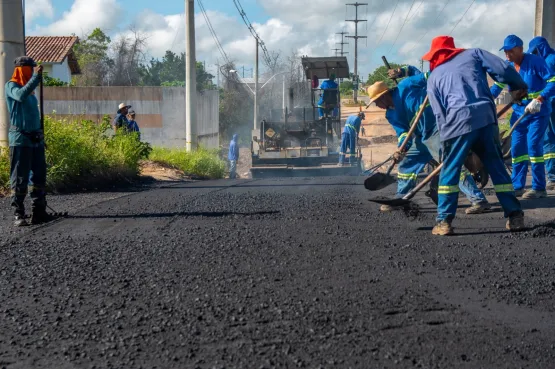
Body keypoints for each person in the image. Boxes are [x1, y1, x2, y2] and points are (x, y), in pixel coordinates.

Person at [423, 35, 528, 235]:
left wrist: (449, 144)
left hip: (456, 123)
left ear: (434, 56)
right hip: (485, 118)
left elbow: (439, 113)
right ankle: (515, 216)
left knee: (450, 171)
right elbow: (503, 69)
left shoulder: (434, 76)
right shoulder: (473, 54)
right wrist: (517, 86)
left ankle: (444, 222)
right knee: (497, 168)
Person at [367, 71, 491, 214]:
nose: (377, 105)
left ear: (384, 96)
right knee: (406, 164)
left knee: (450, 165)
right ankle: (401, 198)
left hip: (438, 130)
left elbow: (431, 75)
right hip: (422, 139)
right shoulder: (390, 115)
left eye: (376, 102)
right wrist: (402, 148)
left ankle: (479, 200)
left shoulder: (405, 86)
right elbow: (403, 133)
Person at [491, 35, 555, 198]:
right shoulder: (508, 66)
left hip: (537, 112)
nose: (507, 55)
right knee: (518, 148)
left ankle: (539, 188)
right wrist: (487, 99)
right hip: (519, 112)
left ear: (520, 49)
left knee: (533, 146)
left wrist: (540, 98)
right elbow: (498, 86)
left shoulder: (536, 62)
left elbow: (552, 81)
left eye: (510, 51)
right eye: (505, 52)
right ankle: (517, 185)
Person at [5, 56, 52, 226]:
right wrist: (35, 79)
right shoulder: (11, 86)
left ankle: (39, 211)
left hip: (35, 140)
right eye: (30, 68)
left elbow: (33, 115)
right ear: (21, 69)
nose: (32, 70)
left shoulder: (31, 90)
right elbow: (20, 96)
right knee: (20, 177)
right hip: (20, 140)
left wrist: (40, 135)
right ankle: (19, 213)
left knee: (39, 176)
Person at [527, 36, 555, 190]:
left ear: (540, 49)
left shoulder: (547, 61)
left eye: (535, 52)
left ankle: (552, 177)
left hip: (550, 103)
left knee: (549, 139)